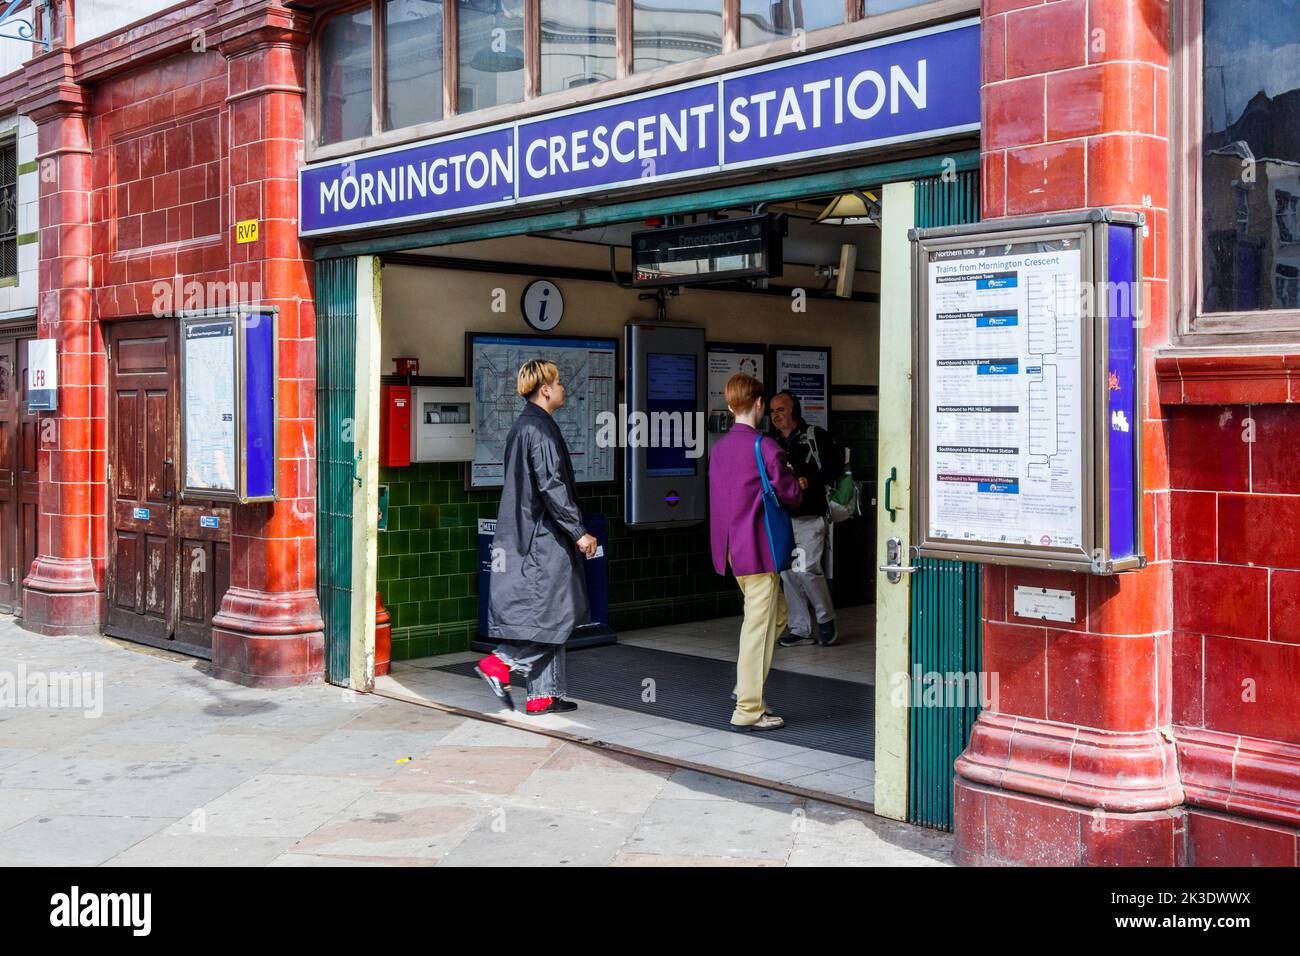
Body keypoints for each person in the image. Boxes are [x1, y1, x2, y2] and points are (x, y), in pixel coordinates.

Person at [476, 360, 599, 715]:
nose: (564, 389)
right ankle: (500, 663)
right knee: (559, 614)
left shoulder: (525, 426)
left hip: (531, 535)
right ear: (545, 389)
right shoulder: (540, 431)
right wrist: (579, 532)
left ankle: (542, 695)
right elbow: (551, 487)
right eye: (559, 383)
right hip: (544, 539)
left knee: (547, 614)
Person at [709, 373, 803, 732]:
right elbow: (791, 494)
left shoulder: (720, 449)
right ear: (760, 404)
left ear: (731, 406)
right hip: (760, 549)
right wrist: (796, 480)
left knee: (776, 617)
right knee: (758, 628)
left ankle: (743, 685)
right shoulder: (765, 447)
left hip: (733, 550)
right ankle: (748, 708)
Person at [768, 390, 841, 647]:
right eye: (773, 410)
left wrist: (808, 480)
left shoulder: (815, 436)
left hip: (810, 514)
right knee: (788, 572)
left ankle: (825, 619)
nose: (776, 415)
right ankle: (799, 628)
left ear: (794, 410)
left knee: (807, 568)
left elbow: (834, 468)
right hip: (782, 515)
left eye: (781, 409)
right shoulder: (771, 442)